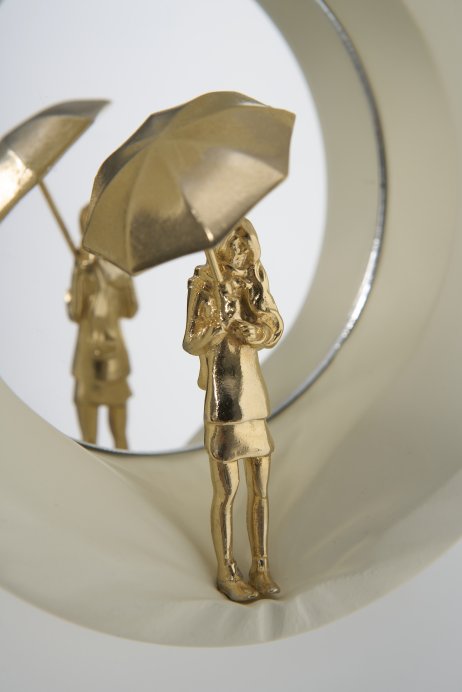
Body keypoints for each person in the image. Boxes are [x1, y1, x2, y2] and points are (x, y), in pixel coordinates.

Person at [183, 218, 283, 602]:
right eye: (233, 241)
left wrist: (257, 331)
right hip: (224, 400)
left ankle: (261, 565)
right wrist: (219, 323)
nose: (240, 248)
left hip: (253, 395)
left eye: (245, 240)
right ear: (222, 245)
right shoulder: (203, 283)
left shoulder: (254, 279)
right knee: (227, 492)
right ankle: (227, 570)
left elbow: (273, 323)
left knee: (261, 489)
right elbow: (191, 341)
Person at [65, 206, 138, 449]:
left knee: (121, 438)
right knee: (88, 441)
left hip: (114, 355)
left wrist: (121, 278)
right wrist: (79, 274)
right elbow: (76, 312)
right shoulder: (83, 269)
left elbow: (130, 309)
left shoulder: (118, 268)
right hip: (87, 357)